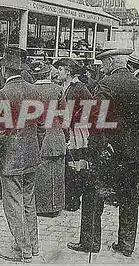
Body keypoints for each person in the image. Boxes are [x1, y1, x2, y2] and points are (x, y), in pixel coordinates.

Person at [67, 48, 139, 257]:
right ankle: (126, 245)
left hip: (108, 151)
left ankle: (90, 242)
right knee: (129, 197)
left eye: (104, 62)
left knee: (93, 194)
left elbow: (93, 118)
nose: (102, 67)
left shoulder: (105, 85)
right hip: (133, 152)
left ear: (112, 61)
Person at [0, 47, 42, 263]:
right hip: (31, 156)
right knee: (29, 202)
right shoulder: (34, 90)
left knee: (13, 204)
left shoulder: (3, 93)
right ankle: (33, 246)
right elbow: (41, 126)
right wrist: (35, 147)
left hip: (11, 158)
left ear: (3, 69)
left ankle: (21, 250)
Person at [53, 58, 93, 212]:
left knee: (76, 165)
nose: (58, 73)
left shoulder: (79, 87)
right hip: (66, 129)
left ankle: (74, 199)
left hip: (76, 131)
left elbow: (90, 107)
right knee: (69, 165)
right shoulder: (64, 87)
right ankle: (68, 198)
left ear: (68, 71)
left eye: (61, 70)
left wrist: (75, 117)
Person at [31, 61, 67, 217]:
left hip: (35, 138)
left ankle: (39, 206)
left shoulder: (29, 90)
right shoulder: (58, 90)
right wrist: (67, 136)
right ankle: (55, 206)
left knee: (38, 173)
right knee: (56, 172)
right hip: (55, 137)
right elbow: (64, 117)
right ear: (48, 74)